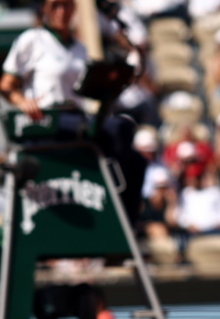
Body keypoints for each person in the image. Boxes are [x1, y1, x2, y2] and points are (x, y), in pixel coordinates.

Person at [0, 0, 146, 223]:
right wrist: (23, 102)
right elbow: (7, 84)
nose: (61, 12)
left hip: (76, 115)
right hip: (47, 118)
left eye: (67, 5)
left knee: (136, 158)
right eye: (55, 6)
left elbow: (85, 90)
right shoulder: (33, 39)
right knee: (119, 128)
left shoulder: (79, 47)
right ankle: (115, 212)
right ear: (45, 9)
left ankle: (128, 221)